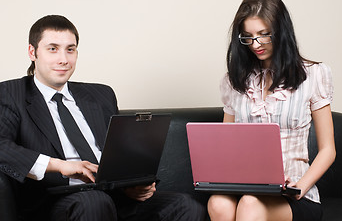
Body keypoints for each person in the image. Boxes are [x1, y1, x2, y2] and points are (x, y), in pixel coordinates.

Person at [0, 15, 205, 221]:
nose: (63, 59)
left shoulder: (101, 95)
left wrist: (132, 184)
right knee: (95, 202)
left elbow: (121, 153)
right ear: (32, 52)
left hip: (113, 196)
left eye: (70, 49)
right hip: (55, 201)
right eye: (52, 49)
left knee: (185, 206)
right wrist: (60, 165)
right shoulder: (11, 93)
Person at [207, 0, 336, 221]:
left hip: (295, 192)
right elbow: (226, 147)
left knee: (250, 205)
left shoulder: (314, 75)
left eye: (264, 34)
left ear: (281, 32)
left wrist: (300, 187)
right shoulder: (233, 82)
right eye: (248, 37)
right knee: (218, 203)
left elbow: (328, 150)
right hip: (247, 187)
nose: (256, 44)